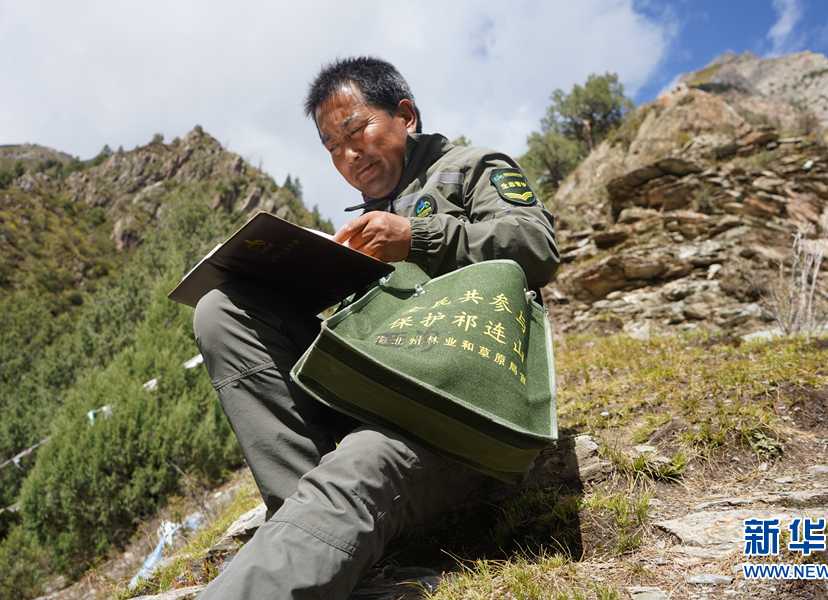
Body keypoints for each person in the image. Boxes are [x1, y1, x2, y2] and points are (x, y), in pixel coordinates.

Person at [193, 56, 559, 599]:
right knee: (224, 308)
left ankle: (313, 529)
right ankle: (307, 520)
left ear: (405, 116)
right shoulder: (361, 222)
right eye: (332, 146)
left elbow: (537, 246)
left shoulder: (472, 167)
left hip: (448, 408)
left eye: (355, 130)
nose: (348, 154)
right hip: (373, 387)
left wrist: (416, 236)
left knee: (360, 467)